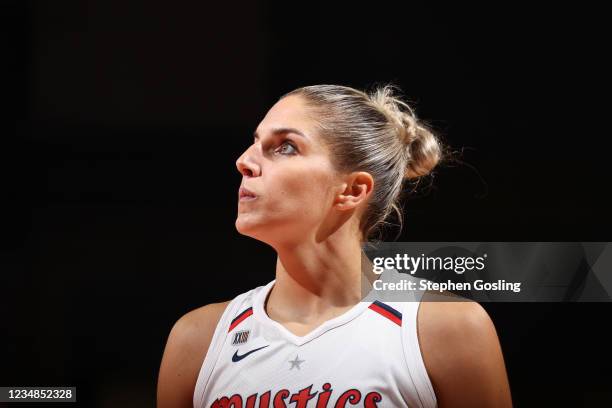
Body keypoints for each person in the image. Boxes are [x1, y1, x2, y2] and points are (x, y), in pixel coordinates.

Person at [157, 84, 513, 407]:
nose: (245, 161)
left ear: (353, 190)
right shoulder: (198, 339)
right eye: (255, 142)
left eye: (285, 147)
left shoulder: (446, 328)